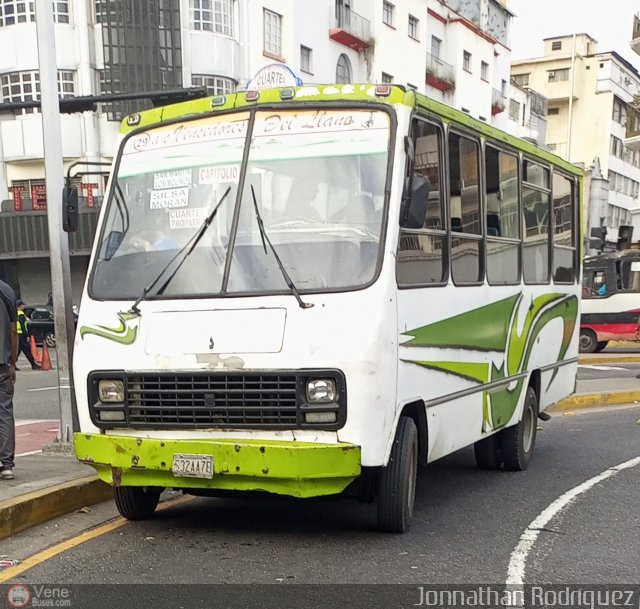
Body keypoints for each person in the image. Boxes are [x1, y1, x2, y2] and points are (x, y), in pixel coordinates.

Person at [0, 279, 18, 480]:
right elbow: (13, 330)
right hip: (2, 363)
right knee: (4, 412)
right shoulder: (6, 290)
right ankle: (6, 465)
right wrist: (13, 362)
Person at [15, 300, 40, 370]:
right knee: (27, 350)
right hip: (22, 335)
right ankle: (33, 365)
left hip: (17, 335)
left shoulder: (15, 313)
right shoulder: (21, 314)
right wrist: (27, 335)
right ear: (19, 306)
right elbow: (23, 326)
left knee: (17, 351)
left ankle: (12, 365)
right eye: (22, 305)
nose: (23, 306)